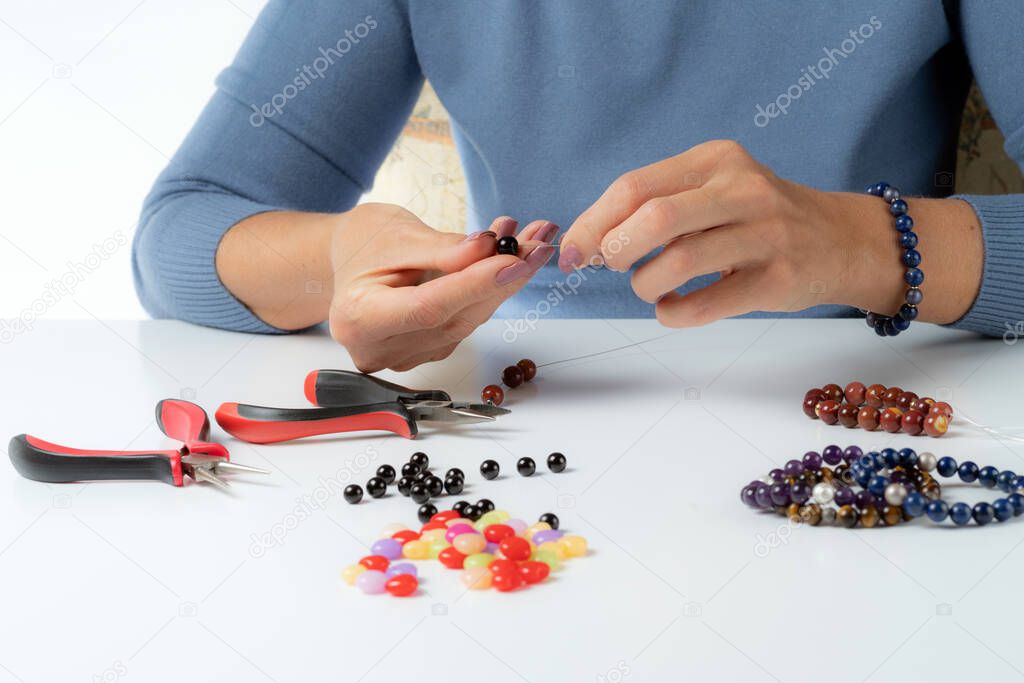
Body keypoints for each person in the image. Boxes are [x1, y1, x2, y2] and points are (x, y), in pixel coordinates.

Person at [133, 1, 1024, 372]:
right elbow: (181, 229)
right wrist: (340, 256)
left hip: (879, 433)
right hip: (536, 435)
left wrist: (871, 245)